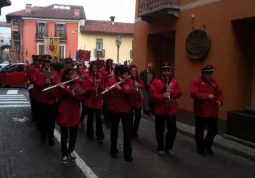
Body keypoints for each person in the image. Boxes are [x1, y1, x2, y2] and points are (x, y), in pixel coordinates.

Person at [149, 62, 182, 156]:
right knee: (160, 129)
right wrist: (163, 96)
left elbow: (179, 93)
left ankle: (169, 146)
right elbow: (153, 95)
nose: (166, 72)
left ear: (170, 71)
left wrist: (173, 93)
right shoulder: (155, 81)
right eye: (164, 70)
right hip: (160, 109)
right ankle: (160, 147)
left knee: (173, 129)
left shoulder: (174, 82)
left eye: (168, 70)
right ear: (161, 71)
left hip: (171, 109)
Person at [190, 65, 223, 156]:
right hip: (201, 111)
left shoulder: (214, 82)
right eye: (207, 73)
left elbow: (219, 93)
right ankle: (200, 148)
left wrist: (219, 101)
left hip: (212, 111)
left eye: (210, 73)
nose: (209, 75)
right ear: (203, 74)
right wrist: (206, 96)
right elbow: (193, 93)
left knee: (213, 130)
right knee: (200, 131)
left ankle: (207, 145)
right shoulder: (197, 82)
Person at [104, 65, 134, 162]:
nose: (127, 75)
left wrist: (120, 89)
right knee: (114, 132)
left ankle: (127, 153)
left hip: (127, 110)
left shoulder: (130, 81)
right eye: (125, 74)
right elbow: (106, 95)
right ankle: (113, 150)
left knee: (127, 133)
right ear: (119, 74)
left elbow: (129, 93)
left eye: (127, 73)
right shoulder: (111, 81)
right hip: (114, 110)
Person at [56, 67, 84, 163]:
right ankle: (64, 153)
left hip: (74, 111)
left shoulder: (77, 84)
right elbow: (56, 96)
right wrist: (62, 88)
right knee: (64, 135)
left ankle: (71, 150)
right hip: (64, 110)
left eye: (75, 74)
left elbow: (80, 97)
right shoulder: (62, 84)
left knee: (73, 134)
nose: (74, 76)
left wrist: (72, 92)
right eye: (72, 74)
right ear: (67, 75)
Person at [30, 55, 58, 145]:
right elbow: (35, 81)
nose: (47, 63)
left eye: (48, 61)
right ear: (42, 62)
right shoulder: (37, 71)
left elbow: (57, 82)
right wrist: (44, 83)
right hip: (41, 101)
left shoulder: (53, 71)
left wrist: (51, 80)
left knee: (51, 121)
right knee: (42, 121)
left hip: (52, 100)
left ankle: (50, 138)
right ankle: (43, 137)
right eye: (45, 61)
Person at [83, 61, 104, 141]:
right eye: (93, 68)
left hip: (98, 99)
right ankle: (90, 134)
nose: (95, 69)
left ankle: (100, 134)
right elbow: (85, 87)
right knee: (90, 118)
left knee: (98, 118)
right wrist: (92, 87)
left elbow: (103, 88)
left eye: (96, 68)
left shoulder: (100, 76)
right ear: (91, 68)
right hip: (90, 99)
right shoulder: (87, 75)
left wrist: (100, 85)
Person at [129, 65, 144, 138]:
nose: (134, 72)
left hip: (137, 100)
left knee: (138, 116)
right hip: (131, 100)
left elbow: (142, 85)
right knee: (130, 117)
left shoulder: (138, 78)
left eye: (135, 71)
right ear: (130, 71)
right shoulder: (128, 78)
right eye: (132, 71)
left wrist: (138, 86)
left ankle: (135, 131)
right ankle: (130, 130)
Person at [100, 58, 114, 128]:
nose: (110, 64)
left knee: (111, 104)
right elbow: (101, 78)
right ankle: (106, 120)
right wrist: (109, 76)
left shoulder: (113, 69)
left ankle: (110, 119)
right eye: (109, 63)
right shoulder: (102, 70)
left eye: (111, 63)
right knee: (106, 104)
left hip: (112, 88)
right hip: (105, 88)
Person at [76, 63, 88, 127]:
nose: (81, 69)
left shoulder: (86, 74)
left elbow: (88, 82)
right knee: (77, 108)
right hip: (77, 94)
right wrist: (79, 79)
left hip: (84, 93)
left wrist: (83, 80)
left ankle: (82, 119)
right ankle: (77, 119)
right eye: (79, 68)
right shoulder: (75, 74)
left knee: (85, 108)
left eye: (82, 68)